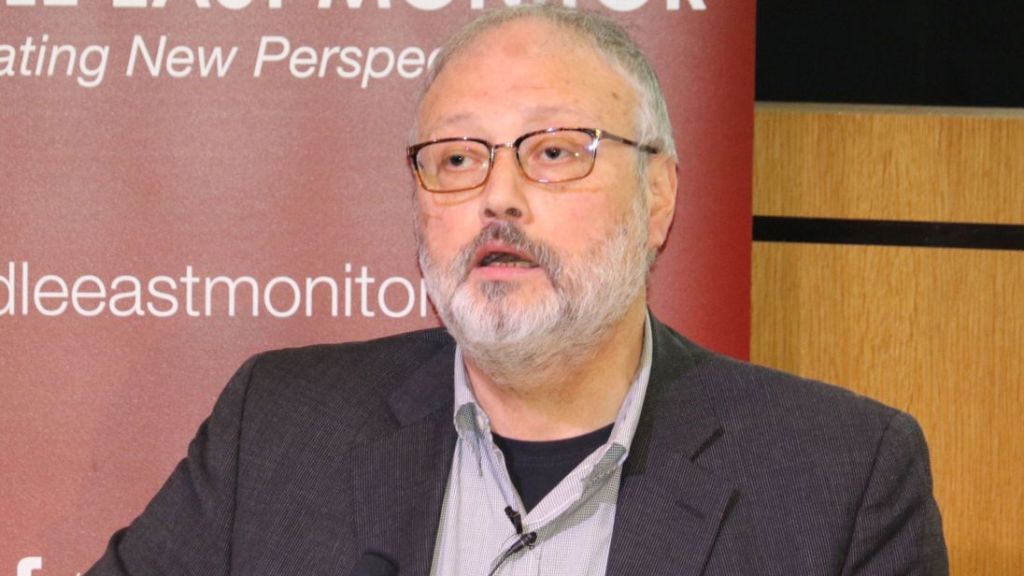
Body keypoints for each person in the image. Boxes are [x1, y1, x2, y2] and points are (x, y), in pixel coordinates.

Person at [87, 6, 947, 575]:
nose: (498, 196)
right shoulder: (280, 429)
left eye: (554, 151)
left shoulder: (836, 477)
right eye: (458, 158)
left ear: (657, 198)